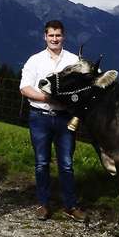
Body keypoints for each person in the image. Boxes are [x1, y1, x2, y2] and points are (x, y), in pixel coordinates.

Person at [19, 20, 86, 222]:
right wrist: (48, 98)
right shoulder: (35, 60)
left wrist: (67, 100)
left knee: (66, 164)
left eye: (58, 35)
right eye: (51, 35)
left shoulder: (74, 60)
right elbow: (25, 88)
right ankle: (43, 204)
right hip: (40, 117)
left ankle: (70, 205)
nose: (55, 39)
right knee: (41, 163)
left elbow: (82, 87)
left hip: (65, 118)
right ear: (45, 37)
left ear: (63, 36)